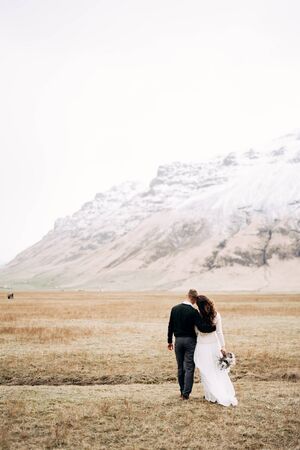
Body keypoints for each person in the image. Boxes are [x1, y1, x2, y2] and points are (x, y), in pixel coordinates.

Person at [167, 289, 216, 400]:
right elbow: (202, 328)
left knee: (180, 367)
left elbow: (170, 326)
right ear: (194, 298)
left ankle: (181, 391)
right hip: (190, 341)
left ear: (187, 295)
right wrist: (214, 327)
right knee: (189, 368)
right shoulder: (193, 312)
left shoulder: (174, 309)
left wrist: (169, 341)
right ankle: (186, 394)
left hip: (178, 341)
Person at [194, 295, 238, 407]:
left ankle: (211, 396)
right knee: (217, 370)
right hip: (214, 345)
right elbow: (219, 332)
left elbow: (196, 332)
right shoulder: (216, 315)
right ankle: (216, 394)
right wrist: (223, 346)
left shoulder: (197, 315)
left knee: (206, 371)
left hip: (202, 346)